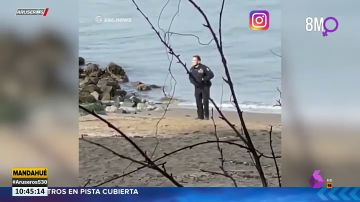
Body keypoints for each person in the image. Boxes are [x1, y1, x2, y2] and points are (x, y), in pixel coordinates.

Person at [189, 55, 214, 120]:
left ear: (199, 61)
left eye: (194, 60)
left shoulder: (204, 68)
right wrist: (194, 83)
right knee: (198, 101)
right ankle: (200, 116)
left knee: (205, 102)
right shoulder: (191, 69)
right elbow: (190, 78)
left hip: (205, 86)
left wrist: (203, 79)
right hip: (197, 87)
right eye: (192, 60)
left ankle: (206, 116)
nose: (193, 61)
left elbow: (211, 75)